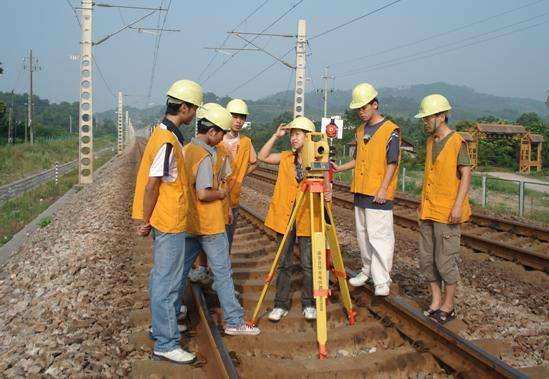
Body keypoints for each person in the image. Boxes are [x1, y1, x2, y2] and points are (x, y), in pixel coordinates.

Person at [132, 79, 202, 364]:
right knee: (167, 281)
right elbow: (152, 185)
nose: (195, 114)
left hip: (168, 218)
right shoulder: (167, 141)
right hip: (169, 221)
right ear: (183, 108)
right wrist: (145, 220)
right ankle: (166, 342)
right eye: (193, 109)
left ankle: (160, 328)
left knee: (162, 277)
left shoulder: (163, 135)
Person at [179, 103, 260, 336]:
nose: (223, 138)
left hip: (191, 222)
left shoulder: (187, 149)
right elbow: (204, 193)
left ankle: (173, 313)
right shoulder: (204, 156)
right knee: (223, 273)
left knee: (180, 270)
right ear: (212, 131)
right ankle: (234, 321)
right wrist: (223, 194)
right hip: (210, 224)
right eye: (221, 133)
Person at [259, 116, 332, 322]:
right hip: (284, 216)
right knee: (284, 262)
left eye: (297, 134)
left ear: (308, 137)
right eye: (292, 134)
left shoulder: (318, 160)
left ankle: (309, 303)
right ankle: (280, 304)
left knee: (309, 264)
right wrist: (276, 135)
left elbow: (326, 184)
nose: (293, 138)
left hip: (307, 217)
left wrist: (328, 192)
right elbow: (262, 156)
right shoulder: (284, 157)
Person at [333, 83, 400, 296]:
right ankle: (366, 270)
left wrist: (383, 188)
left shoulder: (391, 130)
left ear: (375, 104)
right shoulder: (361, 130)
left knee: (379, 236)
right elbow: (358, 159)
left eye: (364, 107)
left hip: (378, 193)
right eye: (358, 109)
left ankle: (382, 280)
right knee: (363, 235)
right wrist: (340, 168)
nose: (361, 112)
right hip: (361, 191)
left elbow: (392, 162)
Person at [415, 94, 472, 324]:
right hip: (428, 210)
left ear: (441, 116)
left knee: (445, 260)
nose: (425, 122)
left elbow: (466, 174)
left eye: (428, 117)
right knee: (427, 259)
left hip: (448, 211)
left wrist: (458, 205)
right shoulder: (430, 142)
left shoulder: (457, 141)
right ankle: (436, 301)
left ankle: (448, 306)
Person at [223, 99, 258, 249]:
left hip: (234, 198)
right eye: (235, 117)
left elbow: (255, 162)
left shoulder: (246, 142)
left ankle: (221, 271)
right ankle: (205, 268)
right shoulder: (217, 139)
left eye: (242, 117)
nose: (238, 121)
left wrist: (242, 175)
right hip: (216, 197)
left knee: (228, 239)